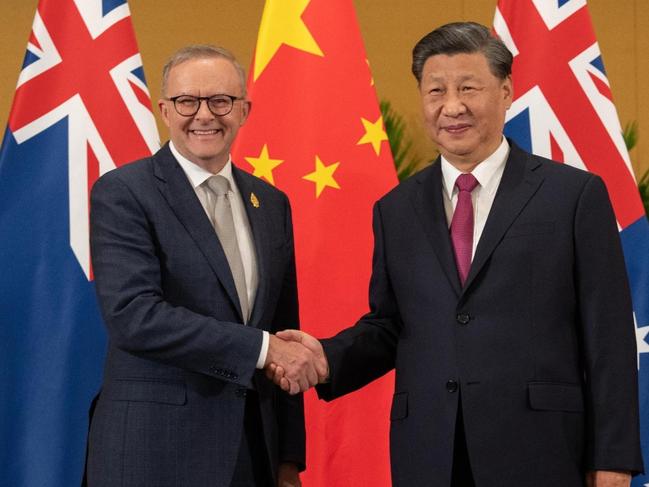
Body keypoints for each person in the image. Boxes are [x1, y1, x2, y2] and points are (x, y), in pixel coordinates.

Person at [270, 22, 644, 487]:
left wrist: (612, 459)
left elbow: (607, 337)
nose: (452, 107)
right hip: (431, 451)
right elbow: (391, 326)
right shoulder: (396, 208)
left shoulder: (572, 196)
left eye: (469, 87)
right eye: (436, 91)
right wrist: (327, 358)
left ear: (506, 91)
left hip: (542, 448)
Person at [85, 45, 324, 487]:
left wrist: (288, 459)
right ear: (163, 109)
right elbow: (133, 316)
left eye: (220, 101)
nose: (204, 115)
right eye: (186, 101)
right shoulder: (124, 192)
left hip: (253, 452)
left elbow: (283, 328)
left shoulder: (270, 202)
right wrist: (263, 348)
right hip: (153, 452)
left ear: (244, 109)